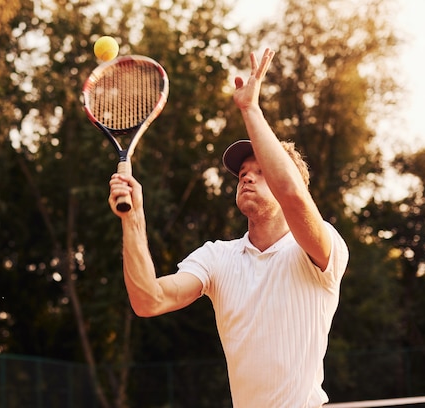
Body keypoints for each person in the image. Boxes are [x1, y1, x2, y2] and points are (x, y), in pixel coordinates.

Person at [108, 48, 349, 407]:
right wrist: (133, 218)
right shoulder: (218, 257)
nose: (247, 178)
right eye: (243, 174)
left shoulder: (320, 248)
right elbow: (149, 300)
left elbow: (293, 196)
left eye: (261, 172)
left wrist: (250, 109)